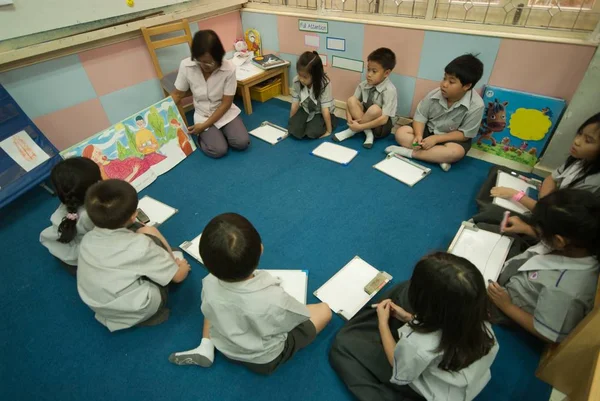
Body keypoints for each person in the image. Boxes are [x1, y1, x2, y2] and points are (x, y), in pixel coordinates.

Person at [168, 213, 332, 375]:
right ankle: (208, 346)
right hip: (263, 360)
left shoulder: (208, 282)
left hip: (225, 345)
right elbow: (296, 317)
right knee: (324, 311)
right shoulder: (274, 300)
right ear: (260, 249)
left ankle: (206, 344)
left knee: (213, 307)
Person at [330, 252, 498, 401]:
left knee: (343, 345)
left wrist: (383, 324)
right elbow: (447, 328)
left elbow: (396, 364)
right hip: (461, 376)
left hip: (433, 391)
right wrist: (408, 317)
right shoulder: (480, 317)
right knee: (401, 293)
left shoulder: (419, 345)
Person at [487, 189, 600, 343]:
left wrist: (506, 306)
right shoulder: (580, 244)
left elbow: (548, 334)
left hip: (508, 303)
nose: (538, 232)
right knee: (486, 221)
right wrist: (527, 229)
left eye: (540, 230)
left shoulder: (566, 290)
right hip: (514, 273)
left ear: (559, 241)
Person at [77, 179, 190, 331]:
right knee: (150, 231)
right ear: (134, 215)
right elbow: (177, 277)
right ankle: (150, 313)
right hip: (137, 308)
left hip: (99, 305)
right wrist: (182, 266)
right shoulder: (141, 246)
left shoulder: (87, 239)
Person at [474, 112, 600, 224]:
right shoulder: (579, 159)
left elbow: (556, 216)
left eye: (588, 140)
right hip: (547, 203)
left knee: (493, 213)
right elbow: (551, 178)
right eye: (580, 133)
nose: (577, 141)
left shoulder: (592, 184)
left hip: (555, 221)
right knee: (498, 170)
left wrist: (516, 195)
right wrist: (543, 199)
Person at [385, 54, 484, 172]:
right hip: (428, 130)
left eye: (451, 82)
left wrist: (436, 139)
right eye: (444, 78)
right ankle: (437, 157)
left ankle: (410, 153)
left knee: (454, 152)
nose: (444, 84)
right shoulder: (434, 94)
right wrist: (418, 135)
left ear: (467, 86)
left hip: (451, 138)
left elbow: (465, 134)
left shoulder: (477, 105)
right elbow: (420, 116)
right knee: (401, 133)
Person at [172, 30, 250, 158]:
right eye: (202, 61)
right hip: (203, 113)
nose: (208, 66)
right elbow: (177, 94)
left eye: (212, 62)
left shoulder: (229, 68)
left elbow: (226, 103)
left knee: (242, 143)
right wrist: (158, 112)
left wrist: (204, 126)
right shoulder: (186, 66)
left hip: (224, 111)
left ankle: (220, 132)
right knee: (219, 150)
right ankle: (205, 138)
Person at [39, 157, 102, 275]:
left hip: (64, 242)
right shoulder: (89, 216)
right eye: (98, 180)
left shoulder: (71, 202)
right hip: (77, 256)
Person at [333, 47, 397, 149]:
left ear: (386, 73)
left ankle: (354, 131)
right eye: (368, 70)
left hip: (380, 126)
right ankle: (367, 133)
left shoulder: (390, 90)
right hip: (364, 117)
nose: (369, 75)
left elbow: (384, 120)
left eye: (374, 71)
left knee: (374, 109)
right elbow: (350, 104)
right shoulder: (364, 84)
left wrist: (359, 127)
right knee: (351, 100)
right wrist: (349, 120)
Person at [288, 51, 337, 139]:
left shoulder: (325, 84)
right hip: (306, 109)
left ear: (315, 75)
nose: (301, 79)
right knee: (294, 129)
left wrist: (329, 131)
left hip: (320, 111)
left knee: (313, 132)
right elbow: (294, 104)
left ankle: (331, 120)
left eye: (305, 77)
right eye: (300, 75)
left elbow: (325, 109)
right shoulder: (296, 81)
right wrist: (291, 121)